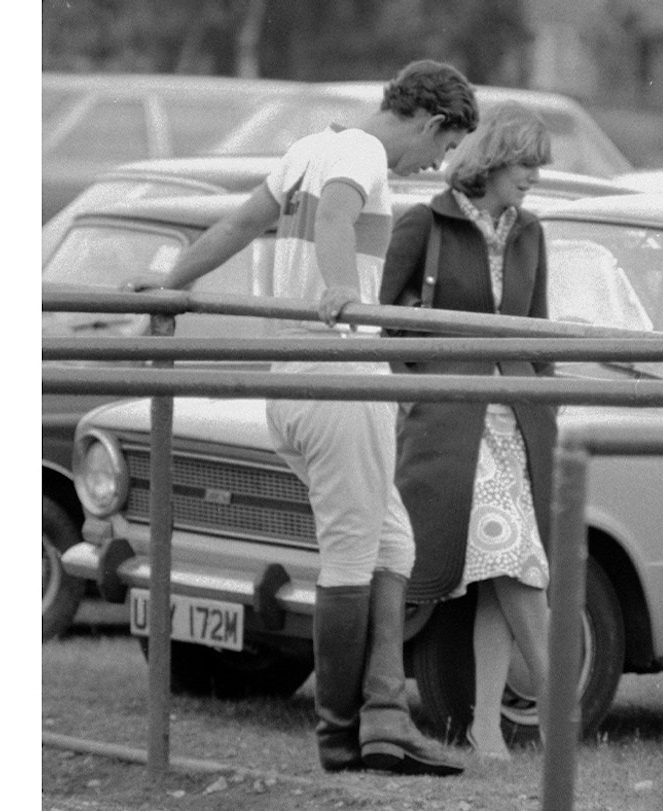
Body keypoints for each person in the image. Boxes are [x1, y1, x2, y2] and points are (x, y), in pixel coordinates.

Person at [126, 60, 478, 776]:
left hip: (296, 383)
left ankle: (384, 714)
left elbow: (239, 224)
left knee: (393, 544)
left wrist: (170, 282)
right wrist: (346, 295)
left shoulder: (310, 148)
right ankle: (339, 733)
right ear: (431, 121)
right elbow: (344, 212)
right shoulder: (363, 153)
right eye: (441, 150)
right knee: (354, 552)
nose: (431, 166)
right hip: (337, 377)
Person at [378, 104, 557, 761]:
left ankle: (487, 727)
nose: (534, 177)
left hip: (518, 422)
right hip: (453, 422)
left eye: (539, 167)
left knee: (499, 568)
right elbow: (381, 322)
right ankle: (560, 708)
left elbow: (539, 333)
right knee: (512, 555)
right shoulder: (424, 221)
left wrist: (548, 411)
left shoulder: (531, 231)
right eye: (526, 164)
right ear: (492, 160)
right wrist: (414, 390)